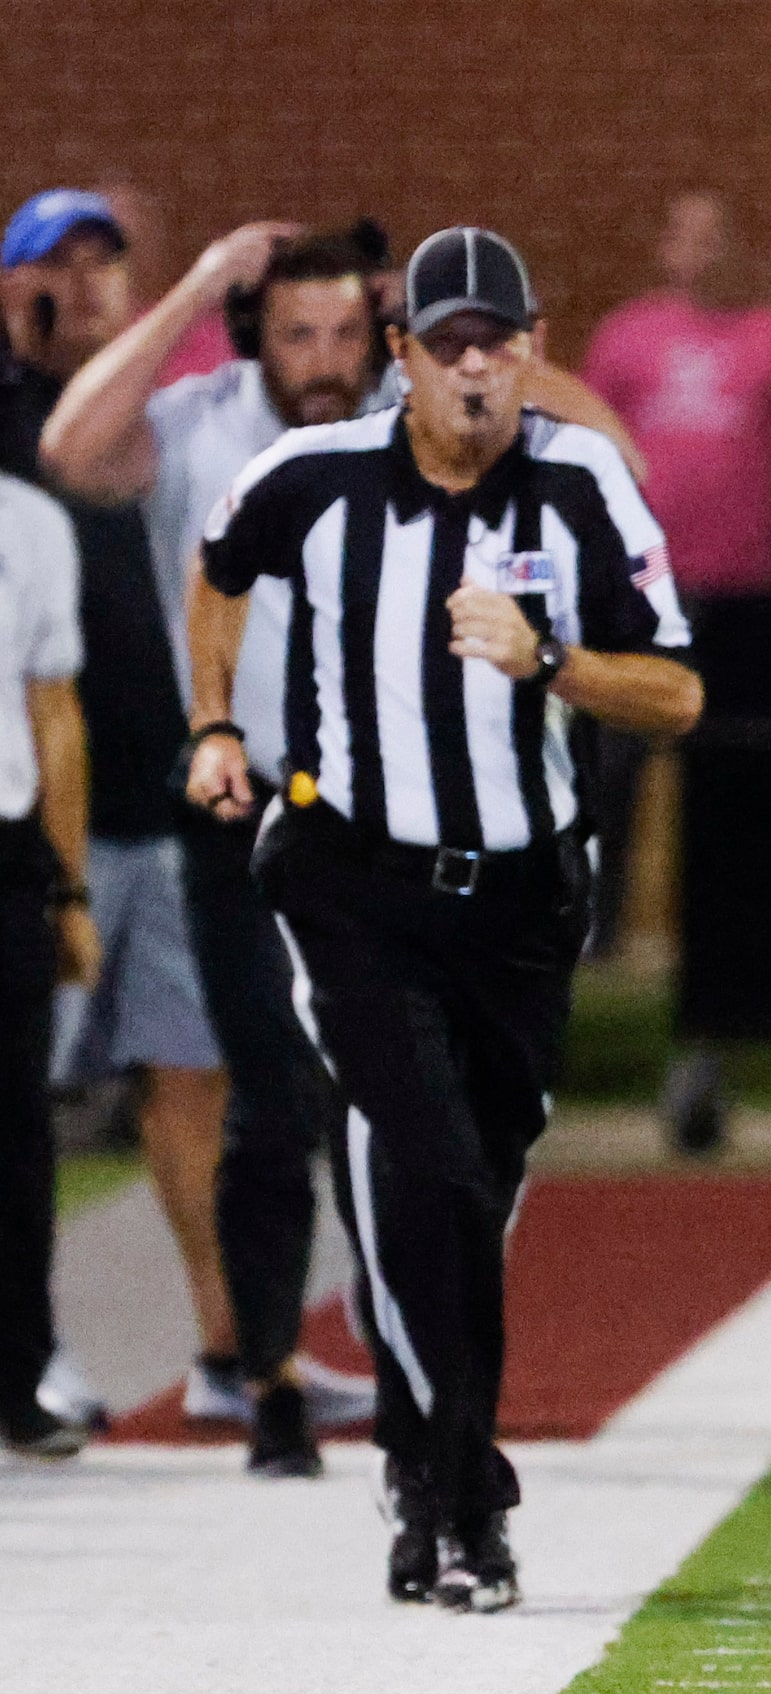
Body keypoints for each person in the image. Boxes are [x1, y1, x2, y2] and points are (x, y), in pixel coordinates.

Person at [185, 227, 702, 1607]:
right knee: (432, 1165)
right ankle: (465, 1495)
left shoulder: (580, 479)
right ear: (397, 353)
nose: (475, 367)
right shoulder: (315, 476)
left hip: (527, 897)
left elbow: (680, 692)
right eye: (447, 342)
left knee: (478, 1182)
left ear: (532, 348)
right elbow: (218, 563)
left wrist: (555, 661)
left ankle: (423, 1450)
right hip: (355, 879)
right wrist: (216, 722)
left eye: (499, 340)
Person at [41, 222, 393, 1470]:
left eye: (349, 330)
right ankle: (268, 1378)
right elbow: (72, 445)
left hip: (386, 810)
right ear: (254, 333)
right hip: (235, 798)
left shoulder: (408, 410)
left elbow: (575, 437)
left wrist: (472, 331)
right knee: (266, 1101)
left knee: (386, 1100)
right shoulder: (193, 420)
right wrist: (195, 283)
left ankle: (398, 1352)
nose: (325, 357)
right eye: (298, 331)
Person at [1, 186, 241, 1432]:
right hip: (44, 814)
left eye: (108, 265)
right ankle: (28, 1352)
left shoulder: (153, 408)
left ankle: (224, 1350)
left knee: (191, 1076)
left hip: (160, 797)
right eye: (60, 266)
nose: (88, 287)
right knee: (20, 1099)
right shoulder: (16, 420)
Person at [579, 191, 771, 946]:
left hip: (743, 593)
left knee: (728, 770)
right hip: (643, 589)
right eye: (684, 234)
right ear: (665, 246)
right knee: (615, 765)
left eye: (713, 235)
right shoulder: (625, 337)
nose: (698, 249)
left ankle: (729, 931)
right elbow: (590, 457)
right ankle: (600, 933)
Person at [0, 468, 94, 1458]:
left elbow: (56, 713)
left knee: (19, 1137)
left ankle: (20, 1380)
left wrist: (69, 890)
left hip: (6, 850)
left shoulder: (28, 525)